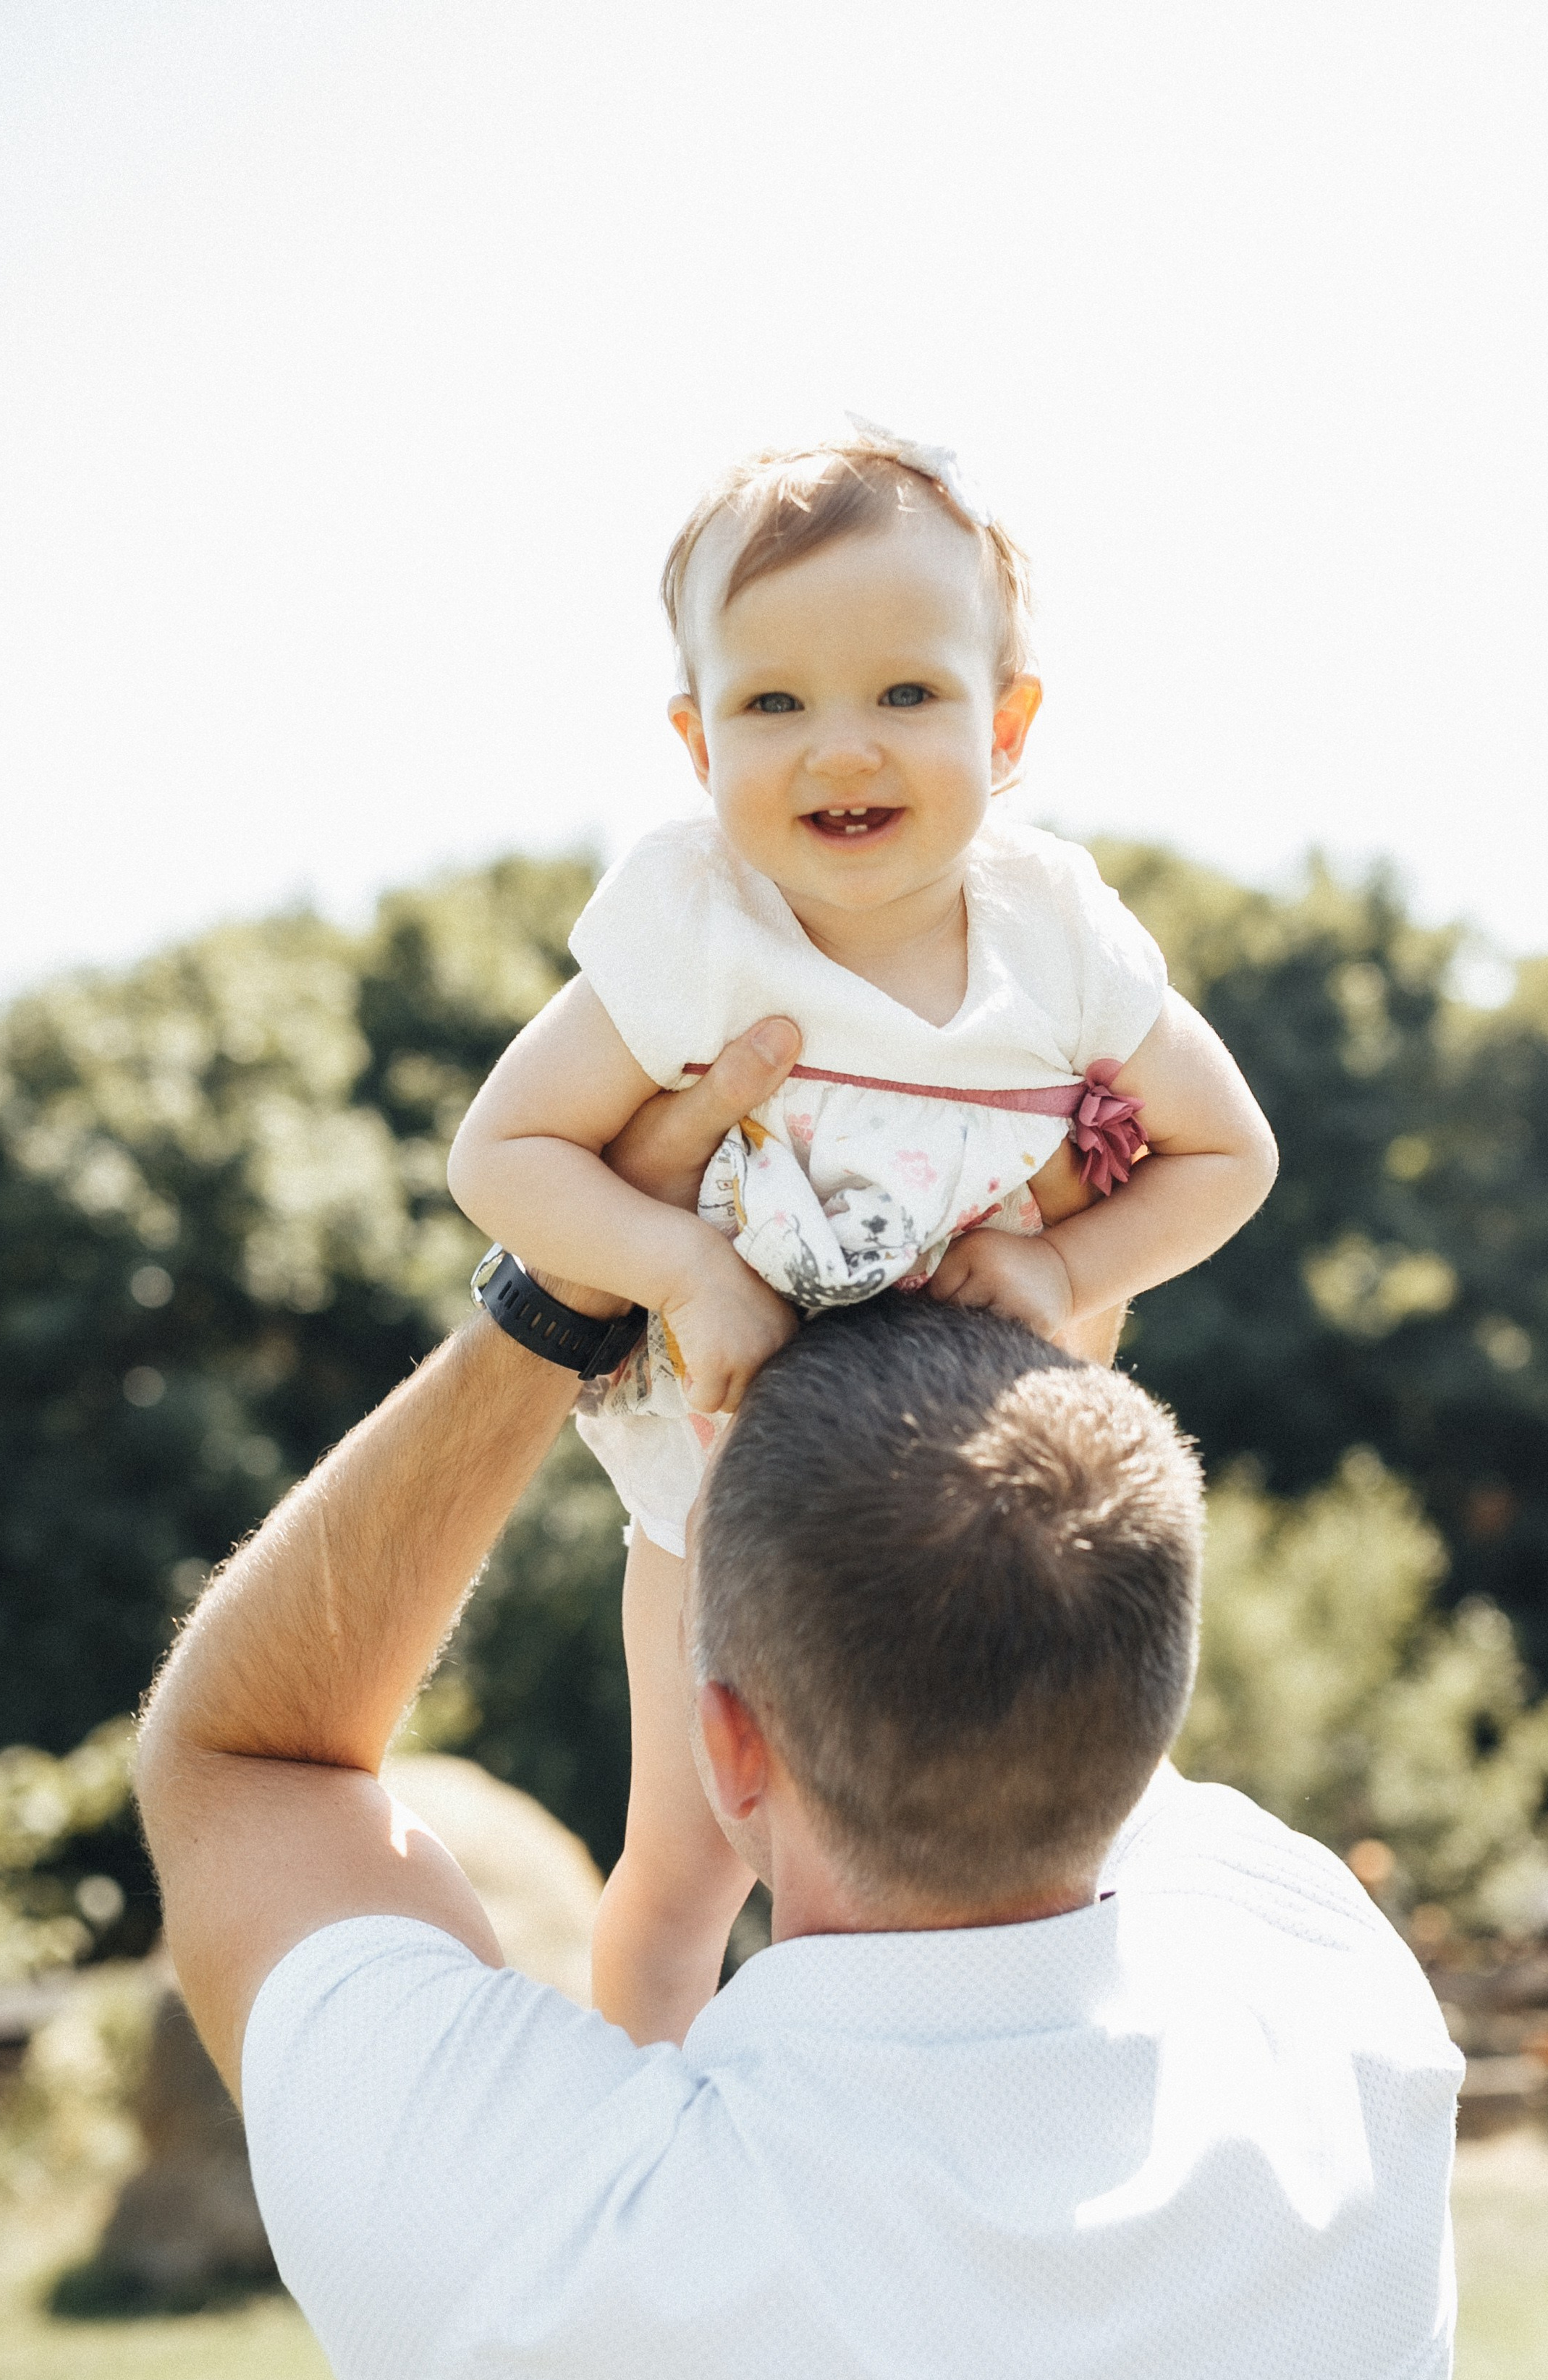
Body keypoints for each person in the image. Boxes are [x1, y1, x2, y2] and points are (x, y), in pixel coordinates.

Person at [138, 1026, 1460, 2380]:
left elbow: (243, 1765)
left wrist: (569, 1295)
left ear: (730, 1752)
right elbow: (1048, 1634)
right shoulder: (1345, 2034)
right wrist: (1015, 1239)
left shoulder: (530, 2240)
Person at [446, 423, 1280, 2044]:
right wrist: (686, 1265)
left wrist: (1059, 1268)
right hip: (716, 1486)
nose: (842, 749)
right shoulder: (698, 932)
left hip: (975, 1499)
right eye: (774, 704)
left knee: (1029, 1820)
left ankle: (1016, 2078)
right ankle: (653, 2094)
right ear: (695, 743)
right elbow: (504, 1153)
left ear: (1008, 725)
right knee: (687, 1855)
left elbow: (1226, 1153)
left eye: (905, 694)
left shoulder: (1052, 942)